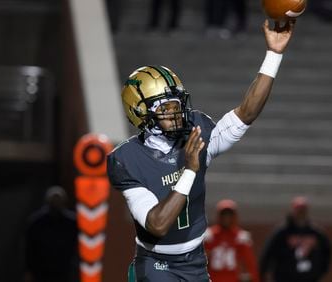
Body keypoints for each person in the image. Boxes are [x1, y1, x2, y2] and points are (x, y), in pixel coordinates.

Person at [107, 19, 296, 281]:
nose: (176, 115)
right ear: (140, 115)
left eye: (176, 106)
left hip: (195, 261)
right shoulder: (127, 160)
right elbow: (157, 224)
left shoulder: (197, 130)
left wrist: (274, 55)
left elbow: (246, 114)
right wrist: (190, 170)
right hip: (156, 263)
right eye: (165, 109)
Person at [260, 197, 332, 282]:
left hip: (309, 278)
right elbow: (268, 252)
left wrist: (320, 270)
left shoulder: (315, 232)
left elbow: (328, 250)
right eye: (298, 210)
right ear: (293, 210)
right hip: (285, 278)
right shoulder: (282, 232)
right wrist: (263, 273)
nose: (301, 213)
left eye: (303, 210)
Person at [24, 186, 78, 282]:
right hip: (42, 270)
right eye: (54, 200)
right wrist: (29, 270)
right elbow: (30, 249)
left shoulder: (72, 223)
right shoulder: (37, 223)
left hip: (65, 269)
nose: (56, 203)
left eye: (58, 200)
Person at [204, 199, 260, 282]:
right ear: (219, 216)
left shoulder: (241, 237)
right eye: (224, 215)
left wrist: (255, 279)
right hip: (213, 279)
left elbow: (250, 263)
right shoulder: (210, 235)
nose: (226, 218)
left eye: (229, 215)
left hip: (232, 279)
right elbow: (201, 260)